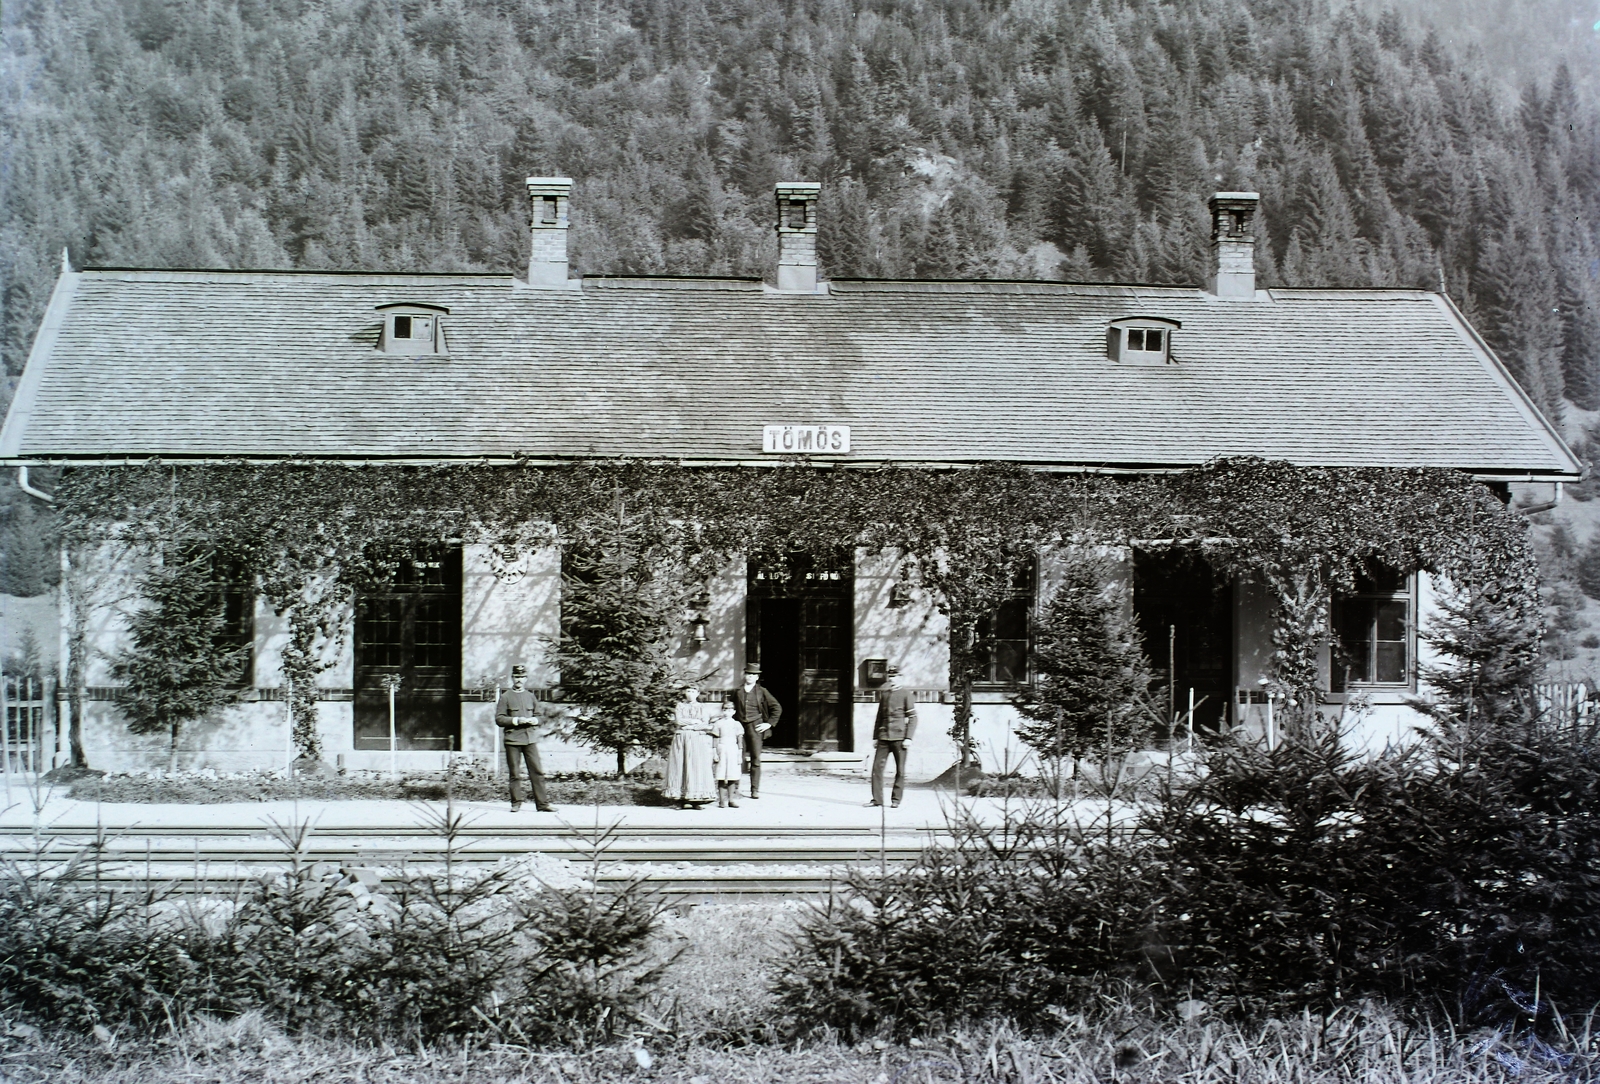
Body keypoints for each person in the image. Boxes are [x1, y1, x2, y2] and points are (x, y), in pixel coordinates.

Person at [496, 664, 553, 812]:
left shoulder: (530, 696)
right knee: (515, 773)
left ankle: (542, 804)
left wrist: (535, 720)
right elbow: (499, 719)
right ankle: (516, 803)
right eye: (516, 677)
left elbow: (539, 716)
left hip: (529, 740)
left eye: (522, 677)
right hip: (512, 740)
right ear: (512, 678)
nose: (519, 680)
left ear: (526, 678)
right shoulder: (506, 697)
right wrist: (516, 721)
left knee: (537, 771)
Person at [728, 663, 781, 799]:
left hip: (755, 727)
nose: (750, 677)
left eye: (753, 675)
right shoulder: (737, 691)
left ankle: (754, 790)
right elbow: (728, 708)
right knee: (737, 758)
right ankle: (735, 789)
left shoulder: (762, 691)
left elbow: (777, 708)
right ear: (744, 675)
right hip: (739, 727)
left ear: (757, 677)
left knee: (755, 759)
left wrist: (768, 724)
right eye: (748, 674)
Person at [868, 665, 917, 808]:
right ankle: (877, 800)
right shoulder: (885, 694)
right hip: (884, 737)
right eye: (891, 677)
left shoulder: (906, 694)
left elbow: (913, 718)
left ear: (901, 678)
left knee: (900, 770)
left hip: (900, 738)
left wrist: (909, 737)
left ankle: (896, 799)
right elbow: (879, 717)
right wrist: (876, 737)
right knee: (876, 768)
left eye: (895, 676)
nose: (892, 679)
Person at [662, 685, 716, 807]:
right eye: (688, 691)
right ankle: (683, 799)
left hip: (697, 739)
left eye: (693, 691)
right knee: (682, 765)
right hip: (682, 739)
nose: (690, 694)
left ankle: (696, 799)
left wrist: (691, 726)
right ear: (685, 693)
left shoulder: (702, 707)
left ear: (697, 693)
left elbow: (705, 723)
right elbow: (678, 721)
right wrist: (694, 721)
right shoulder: (680, 706)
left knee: (696, 766)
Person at [710, 701, 743, 808]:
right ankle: (721, 801)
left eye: (729, 710)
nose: (727, 712)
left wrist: (739, 753)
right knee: (721, 775)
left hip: (733, 749)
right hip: (722, 749)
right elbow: (715, 738)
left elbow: (739, 740)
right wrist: (715, 752)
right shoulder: (718, 723)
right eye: (724, 710)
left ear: (733, 712)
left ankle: (731, 799)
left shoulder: (736, 724)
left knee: (732, 775)